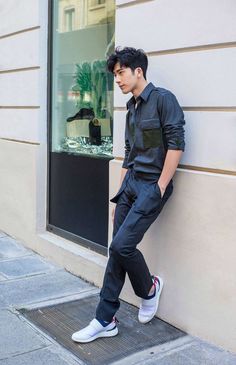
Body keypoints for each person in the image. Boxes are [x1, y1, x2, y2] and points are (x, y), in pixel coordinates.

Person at [72, 46, 185, 343]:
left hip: (151, 186)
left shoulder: (164, 100)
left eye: (121, 73)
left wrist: (160, 186)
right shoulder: (131, 109)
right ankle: (105, 318)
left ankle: (149, 290)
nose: (117, 80)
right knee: (116, 250)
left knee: (122, 246)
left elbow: (176, 145)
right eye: (115, 75)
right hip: (130, 186)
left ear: (138, 71)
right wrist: (119, 192)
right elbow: (128, 153)